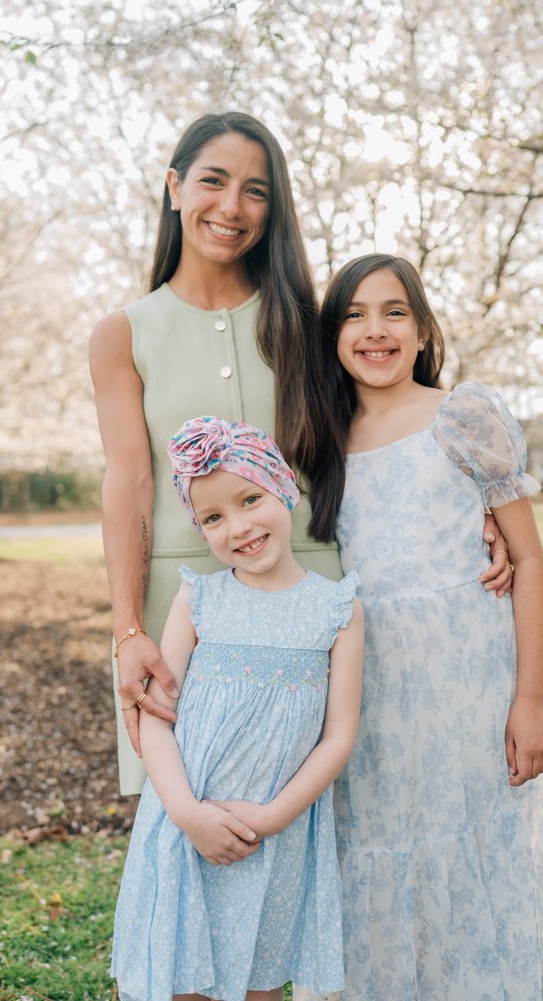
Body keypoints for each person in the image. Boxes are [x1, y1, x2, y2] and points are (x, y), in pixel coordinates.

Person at [89, 112, 512, 794]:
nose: (232, 206)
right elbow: (129, 481)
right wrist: (126, 629)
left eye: (256, 190)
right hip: (178, 602)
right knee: (184, 807)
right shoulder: (122, 334)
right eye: (213, 181)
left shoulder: (309, 324)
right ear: (174, 187)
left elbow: (379, 424)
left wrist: (473, 506)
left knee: (316, 807)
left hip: (311, 589)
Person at [305, 254, 543, 1000]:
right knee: (381, 850)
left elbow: (530, 562)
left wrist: (529, 700)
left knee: (472, 851)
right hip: (371, 692)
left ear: (423, 330)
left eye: (394, 312)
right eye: (354, 315)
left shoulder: (463, 415)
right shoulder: (321, 437)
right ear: (333, 336)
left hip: (470, 688)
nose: (375, 330)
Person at [111, 416, 364, 1001]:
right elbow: (157, 720)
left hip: (272, 834)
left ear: (284, 487)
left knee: (259, 978)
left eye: (250, 499)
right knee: (180, 976)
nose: (239, 527)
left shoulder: (337, 610)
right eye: (213, 518)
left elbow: (338, 735)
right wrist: (185, 813)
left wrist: (272, 817)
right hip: (187, 820)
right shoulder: (198, 599)